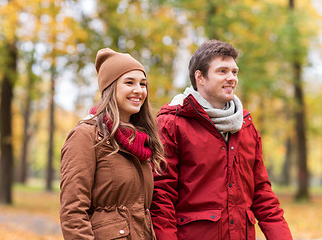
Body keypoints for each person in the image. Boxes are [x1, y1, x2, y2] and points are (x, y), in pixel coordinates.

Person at [150, 39, 293, 240]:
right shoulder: (172, 123)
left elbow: (262, 194)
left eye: (234, 72)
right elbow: (161, 197)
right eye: (222, 71)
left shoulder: (246, 126)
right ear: (200, 77)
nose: (231, 78)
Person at [60, 48, 165, 240]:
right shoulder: (86, 136)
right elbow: (73, 213)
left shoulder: (142, 141)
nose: (138, 90)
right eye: (129, 82)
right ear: (110, 87)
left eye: (143, 84)